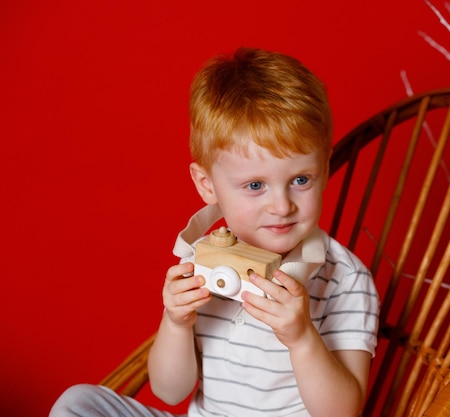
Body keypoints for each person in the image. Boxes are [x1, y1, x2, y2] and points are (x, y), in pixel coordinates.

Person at [50, 47, 379, 417]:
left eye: (300, 180)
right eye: (255, 186)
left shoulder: (344, 279)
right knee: (77, 403)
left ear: (324, 167)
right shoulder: (202, 260)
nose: (282, 205)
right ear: (207, 186)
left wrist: (302, 339)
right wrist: (176, 321)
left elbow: (343, 413)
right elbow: (169, 392)